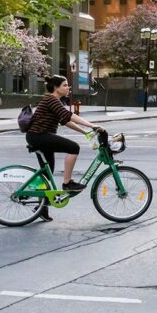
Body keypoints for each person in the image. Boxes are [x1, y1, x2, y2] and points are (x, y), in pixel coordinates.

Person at [25, 75, 104, 222]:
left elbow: (65, 121)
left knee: (47, 174)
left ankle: (42, 208)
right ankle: (67, 183)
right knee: (73, 147)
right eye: (65, 85)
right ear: (56, 88)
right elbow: (69, 116)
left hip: (39, 136)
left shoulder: (54, 100)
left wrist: (85, 131)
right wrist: (92, 125)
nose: (68, 87)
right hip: (39, 136)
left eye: (68, 85)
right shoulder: (51, 99)